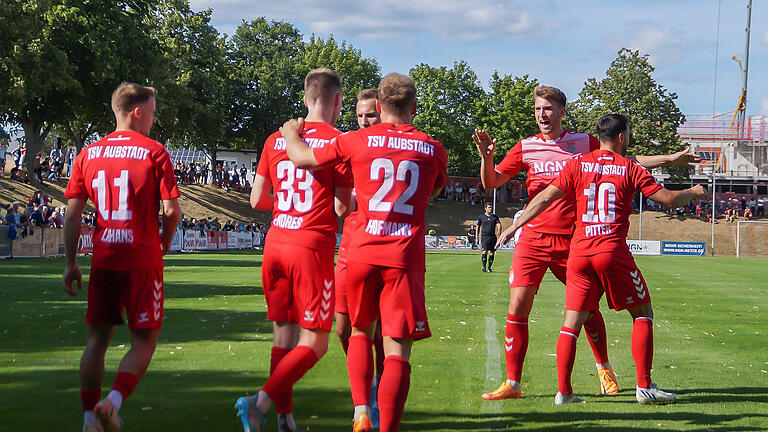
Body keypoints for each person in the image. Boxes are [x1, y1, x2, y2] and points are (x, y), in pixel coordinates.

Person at [473, 85, 701, 401]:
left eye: (548, 108)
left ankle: (603, 367)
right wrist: (487, 158)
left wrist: (671, 158)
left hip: (574, 240)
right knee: (517, 306)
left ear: (562, 112)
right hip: (536, 240)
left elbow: (623, 157)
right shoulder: (525, 147)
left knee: (587, 310)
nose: (542, 114)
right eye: (538, 109)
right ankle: (512, 383)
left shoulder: (583, 143)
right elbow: (491, 182)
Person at [282, 72, 448, 432]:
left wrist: (289, 135)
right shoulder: (433, 148)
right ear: (414, 107)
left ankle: (360, 412)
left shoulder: (356, 140)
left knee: (358, 332)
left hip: (359, 253)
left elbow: (305, 159)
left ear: (380, 106)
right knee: (397, 351)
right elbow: (434, 189)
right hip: (403, 258)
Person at [235, 68, 352, 432]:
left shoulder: (275, 140)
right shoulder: (339, 142)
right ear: (337, 101)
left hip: (275, 243)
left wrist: (287, 205)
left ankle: (284, 419)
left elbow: (256, 200)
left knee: (283, 336)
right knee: (315, 343)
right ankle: (261, 402)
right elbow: (341, 208)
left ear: (305, 98)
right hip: (309, 246)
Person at [62, 82, 181, 432]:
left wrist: (70, 263)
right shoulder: (154, 151)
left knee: (96, 341)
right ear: (138, 112)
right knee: (144, 340)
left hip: (104, 258)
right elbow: (172, 210)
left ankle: (89, 419)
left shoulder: (88, 154)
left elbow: (72, 214)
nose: (154, 121)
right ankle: (111, 403)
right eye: (154, 113)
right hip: (141, 258)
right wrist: (165, 241)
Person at [334, 87, 386, 428]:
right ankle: (366, 381)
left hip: (382, 249)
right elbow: (340, 207)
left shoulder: (390, 150)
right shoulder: (350, 147)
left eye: (371, 114)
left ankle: (378, 392)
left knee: (380, 332)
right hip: (350, 247)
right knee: (342, 328)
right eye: (360, 116)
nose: (365, 121)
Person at [476, 202, 501, 272]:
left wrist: (499, 230)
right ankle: (484, 266)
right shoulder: (481, 217)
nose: (490, 209)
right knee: (484, 251)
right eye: (489, 207)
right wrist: (476, 237)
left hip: (492, 237)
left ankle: (489, 267)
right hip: (484, 236)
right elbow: (478, 226)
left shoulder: (495, 217)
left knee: (492, 252)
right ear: (485, 208)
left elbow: (498, 224)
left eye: (491, 207)